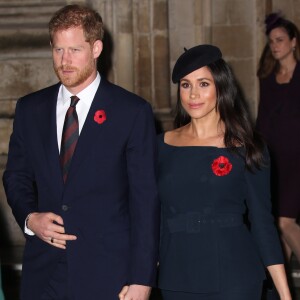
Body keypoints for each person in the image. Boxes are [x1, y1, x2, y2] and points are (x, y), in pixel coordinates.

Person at [2, 4, 159, 300]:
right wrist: (30, 218)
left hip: (108, 274)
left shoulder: (131, 112)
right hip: (43, 272)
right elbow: (16, 176)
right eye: (58, 50)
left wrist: (141, 278)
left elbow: (145, 201)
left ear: (96, 48)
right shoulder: (30, 109)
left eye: (74, 50)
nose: (65, 61)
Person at [156, 44, 291, 300]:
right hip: (177, 276)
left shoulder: (248, 148)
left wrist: (285, 295)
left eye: (203, 84)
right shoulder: (160, 146)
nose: (193, 94)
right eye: (186, 85)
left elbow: (263, 223)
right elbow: (151, 217)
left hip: (235, 276)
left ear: (221, 86)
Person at [256, 13, 300, 271]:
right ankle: (279, 289)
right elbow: (262, 120)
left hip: (298, 160)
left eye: (280, 40)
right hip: (275, 160)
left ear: (294, 42)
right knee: (277, 225)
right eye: (272, 41)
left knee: (285, 222)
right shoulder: (267, 78)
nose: (275, 46)